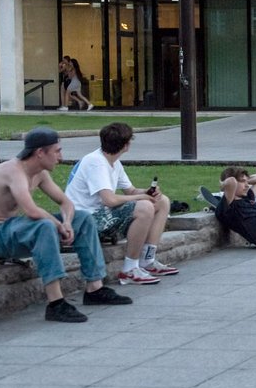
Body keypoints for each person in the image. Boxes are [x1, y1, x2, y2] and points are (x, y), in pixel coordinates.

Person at [0, 127, 132, 323]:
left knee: (83, 219)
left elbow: (66, 203)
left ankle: (95, 289)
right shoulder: (13, 171)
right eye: (57, 151)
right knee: (44, 226)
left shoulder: (39, 174)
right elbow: (31, 210)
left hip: (11, 231)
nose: (60, 157)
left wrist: (68, 222)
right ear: (40, 153)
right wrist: (58, 225)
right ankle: (56, 303)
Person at [65, 122, 179, 285]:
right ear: (126, 145)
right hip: (85, 221)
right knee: (145, 207)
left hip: (100, 214)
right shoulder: (95, 162)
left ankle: (147, 260)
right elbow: (109, 200)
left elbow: (131, 191)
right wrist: (141, 200)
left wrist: (147, 193)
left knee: (162, 201)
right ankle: (129, 269)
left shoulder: (113, 162)